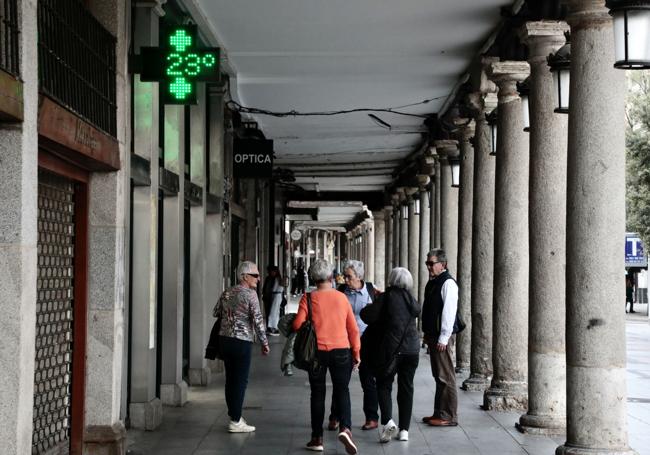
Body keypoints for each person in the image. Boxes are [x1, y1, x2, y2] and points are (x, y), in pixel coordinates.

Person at [293, 259, 361, 454]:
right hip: (342, 351)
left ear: (314, 279)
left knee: (318, 393)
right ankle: (346, 428)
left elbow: (297, 325)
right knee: (342, 390)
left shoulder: (308, 298)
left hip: (317, 353)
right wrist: (356, 353)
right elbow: (353, 329)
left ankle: (317, 438)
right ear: (331, 277)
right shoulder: (342, 298)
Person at [360, 267, 420, 443]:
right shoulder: (411, 298)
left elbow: (367, 316)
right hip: (412, 350)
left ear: (391, 280)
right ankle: (404, 431)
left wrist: (375, 302)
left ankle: (388, 422)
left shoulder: (386, 297)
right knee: (406, 388)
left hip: (391, 351)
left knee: (383, 384)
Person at [215, 261, 270, 433]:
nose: (259, 279)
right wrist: (265, 343)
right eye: (255, 275)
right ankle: (236, 420)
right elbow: (258, 320)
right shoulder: (250, 294)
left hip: (224, 340)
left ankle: (234, 415)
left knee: (230, 379)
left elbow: (216, 312)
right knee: (240, 381)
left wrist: (231, 314)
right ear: (244, 276)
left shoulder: (227, 292)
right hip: (241, 341)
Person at [328, 260, 379, 432]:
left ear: (359, 277)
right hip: (345, 341)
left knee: (368, 380)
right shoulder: (341, 291)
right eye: (345, 276)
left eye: (349, 277)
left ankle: (372, 418)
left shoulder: (372, 291)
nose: (346, 280)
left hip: (368, 341)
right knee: (341, 382)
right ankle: (335, 416)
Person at [421, 249, 459, 426]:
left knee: (446, 376)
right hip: (433, 335)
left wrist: (444, 337)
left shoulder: (448, 283)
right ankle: (439, 412)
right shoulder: (434, 282)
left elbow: (448, 312)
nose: (429, 267)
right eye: (427, 263)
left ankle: (449, 416)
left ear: (442, 264)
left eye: (431, 263)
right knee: (439, 376)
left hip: (441, 336)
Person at [266, 266, 284, 335]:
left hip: (276, 295)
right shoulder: (279, 279)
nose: (271, 273)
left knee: (273, 312)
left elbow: (274, 289)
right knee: (276, 312)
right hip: (278, 296)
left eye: (272, 271)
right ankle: (274, 327)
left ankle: (273, 328)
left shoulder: (276, 279)